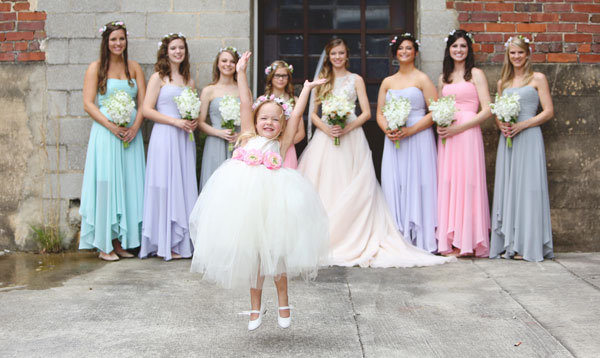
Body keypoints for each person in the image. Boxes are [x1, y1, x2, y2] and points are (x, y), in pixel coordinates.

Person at [189, 51, 329, 331]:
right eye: (263, 118)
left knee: (275, 256)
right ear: (254, 120)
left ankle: (283, 301)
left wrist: (308, 91)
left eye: (275, 120)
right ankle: (255, 307)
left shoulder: (283, 142)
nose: (268, 123)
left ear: (281, 127)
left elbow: (298, 113)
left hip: (273, 203)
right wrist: (240, 71)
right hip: (245, 204)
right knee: (254, 257)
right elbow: (244, 100)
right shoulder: (248, 135)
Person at [298, 37, 455, 268]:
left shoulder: (356, 79)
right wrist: (328, 129)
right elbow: (312, 114)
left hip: (351, 137)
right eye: (334, 54)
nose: (338, 57)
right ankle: (327, 236)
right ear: (329, 56)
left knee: (352, 184)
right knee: (326, 184)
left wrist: (348, 127)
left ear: (347, 55)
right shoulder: (321, 82)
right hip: (327, 138)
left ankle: (352, 234)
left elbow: (366, 113)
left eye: (341, 53)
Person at [79, 21, 146, 261]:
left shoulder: (134, 68)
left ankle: (119, 242)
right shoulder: (96, 68)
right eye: (113, 40)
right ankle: (103, 244)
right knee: (106, 184)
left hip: (130, 136)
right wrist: (110, 126)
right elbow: (88, 103)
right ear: (106, 43)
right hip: (106, 136)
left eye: (122, 39)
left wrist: (135, 127)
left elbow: (143, 104)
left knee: (126, 185)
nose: (118, 44)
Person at [490, 36, 554, 262]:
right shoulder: (503, 83)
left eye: (520, 52)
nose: (516, 57)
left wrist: (522, 125)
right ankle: (511, 244)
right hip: (508, 140)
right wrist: (503, 126)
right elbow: (497, 113)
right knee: (510, 188)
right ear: (508, 56)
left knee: (529, 189)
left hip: (529, 137)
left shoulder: (538, 78)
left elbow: (547, 111)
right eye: (512, 53)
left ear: (527, 54)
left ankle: (529, 244)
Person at [376, 33, 439, 253]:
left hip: (419, 137)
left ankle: (420, 236)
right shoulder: (388, 82)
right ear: (395, 53)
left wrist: (411, 130)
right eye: (401, 48)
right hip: (394, 140)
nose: (404, 51)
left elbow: (435, 112)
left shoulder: (422, 79)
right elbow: (380, 113)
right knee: (397, 182)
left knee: (419, 181)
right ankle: (398, 234)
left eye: (409, 48)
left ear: (416, 52)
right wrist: (388, 130)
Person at [139, 33, 198, 261]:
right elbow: (146, 110)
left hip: (184, 138)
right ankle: (163, 241)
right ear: (166, 51)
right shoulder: (158, 78)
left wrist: (190, 120)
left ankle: (180, 242)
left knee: (181, 184)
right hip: (165, 136)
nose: (178, 52)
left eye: (181, 48)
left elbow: (191, 109)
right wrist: (174, 121)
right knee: (164, 183)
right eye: (173, 48)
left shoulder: (189, 81)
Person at [436, 30, 491, 257]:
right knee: (449, 181)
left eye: (463, 46)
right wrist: (440, 124)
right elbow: (439, 107)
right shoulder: (443, 78)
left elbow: (487, 109)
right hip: (448, 136)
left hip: (467, 132)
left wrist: (460, 126)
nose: (459, 50)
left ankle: (468, 241)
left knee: (468, 183)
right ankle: (451, 239)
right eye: (455, 46)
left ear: (468, 50)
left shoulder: (476, 74)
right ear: (449, 49)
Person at [198, 47, 241, 189]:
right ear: (217, 64)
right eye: (224, 61)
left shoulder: (242, 89)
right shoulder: (209, 90)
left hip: (237, 143)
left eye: (232, 61)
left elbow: (250, 120)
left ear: (237, 65)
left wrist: (239, 135)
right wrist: (219, 133)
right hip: (215, 142)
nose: (228, 64)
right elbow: (200, 122)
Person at [263, 60, 305, 168]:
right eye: (277, 75)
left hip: (288, 150)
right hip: (266, 148)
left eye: (284, 76)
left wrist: (284, 143)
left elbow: (301, 133)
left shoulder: (294, 101)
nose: (281, 79)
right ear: (271, 77)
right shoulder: (263, 100)